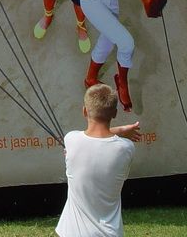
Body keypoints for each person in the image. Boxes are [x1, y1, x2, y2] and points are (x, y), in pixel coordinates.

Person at [56, 84, 141, 237]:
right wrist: (120, 131)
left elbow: (94, 138)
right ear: (115, 113)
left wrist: (119, 131)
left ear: (84, 111)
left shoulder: (71, 140)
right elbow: (102, 139)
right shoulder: (126, 148)